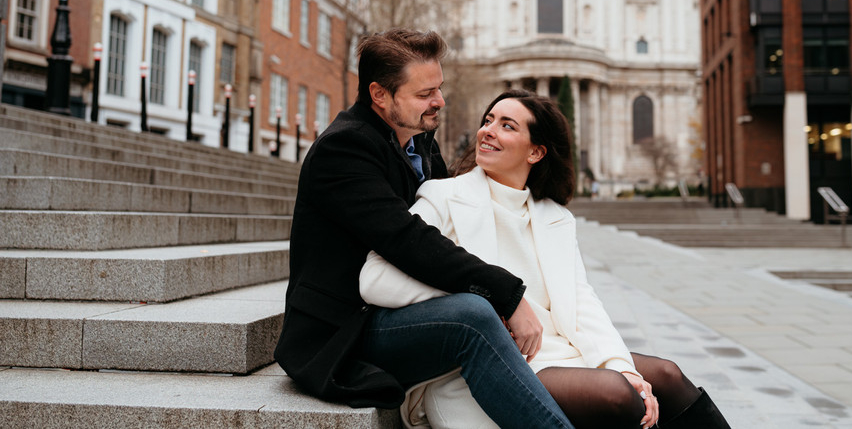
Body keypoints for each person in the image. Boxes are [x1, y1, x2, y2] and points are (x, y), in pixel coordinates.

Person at [360, 90, 733, 429]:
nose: (488, 131)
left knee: (665, 375)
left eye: (507, 126)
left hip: (561, 351)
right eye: (488, 121)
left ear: (535, 152)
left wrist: (619, 364)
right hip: (494, 362)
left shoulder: (554, 216)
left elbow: (582, 300)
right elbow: (376, 281)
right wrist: (486, 302)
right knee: (618, 395)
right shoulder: (443, 196)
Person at [274, 30, 574, 429]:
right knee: (473, 315)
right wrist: (506, 293)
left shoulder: (420, 143)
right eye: (424, 93)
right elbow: (407, 240)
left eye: (439, 88)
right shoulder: (344, 148)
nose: (440, 102)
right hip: (347, 328)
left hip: (402, 307)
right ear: (380, 95)